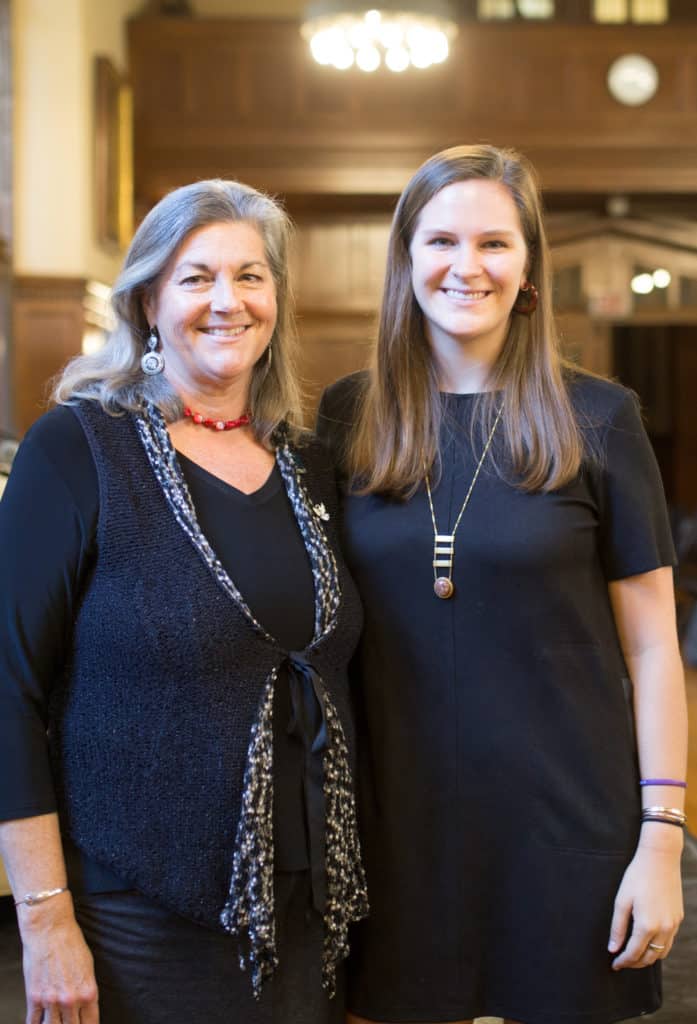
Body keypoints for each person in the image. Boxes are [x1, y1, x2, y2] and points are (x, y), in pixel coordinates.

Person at [317, 145, 687, 1024]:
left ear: (527, 268)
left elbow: (653, 649)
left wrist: (662, 842)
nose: (466, 266)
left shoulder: (599, 417)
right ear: (406, 261)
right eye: (441, 241)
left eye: (494, 243)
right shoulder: (346, 416)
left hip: (562, 824)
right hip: (393, 829)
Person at [0, 178, 367, 1024]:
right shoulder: (78, 448)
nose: (226, 301)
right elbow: (9, 690)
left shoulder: (310, 465)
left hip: (312, 907)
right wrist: (45, 919)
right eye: (195, 277)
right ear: (148, 302)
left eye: (250, 276)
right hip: (136, 913)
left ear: (275, 300)